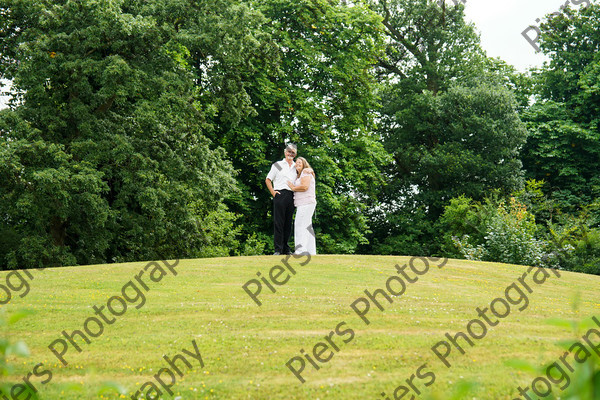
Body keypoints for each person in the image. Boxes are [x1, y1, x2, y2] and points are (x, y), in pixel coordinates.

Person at [265, 144, 298, 255]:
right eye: (289, 151)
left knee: (288, 223)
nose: (290, 154)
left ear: (295, 154)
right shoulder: (278, 165)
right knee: (279, 222)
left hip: (292, 195)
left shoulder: (296, 167)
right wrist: (273, 192)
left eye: (293, 152)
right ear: (285, 152)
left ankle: (286, 249)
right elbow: (268, 179)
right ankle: (278, 249)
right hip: (280, 194)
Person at [287, 157, 316, 255]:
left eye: (300, 162)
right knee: (307, 226)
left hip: (306, 202)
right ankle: (310, 251)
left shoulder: (305, 172)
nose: (298, 164)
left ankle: (301, 250)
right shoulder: (300, 175)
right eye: (297, 163)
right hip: (305, 203)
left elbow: (305, 187)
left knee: (300, 225)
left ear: (304, 164)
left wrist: (293, 187)